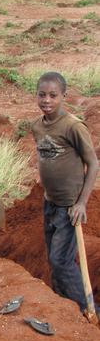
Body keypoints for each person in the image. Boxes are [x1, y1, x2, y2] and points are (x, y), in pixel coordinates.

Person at [32, 71, 99, 314]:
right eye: (42, 95)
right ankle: (64, 306)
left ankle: (88, 310)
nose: (46, 100)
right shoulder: (37, 126)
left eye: (52, 95)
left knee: (61, 261)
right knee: (54, 258)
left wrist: (82, 203)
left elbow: (92, 163)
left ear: (64, 96)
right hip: (50, 202)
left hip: (69, 207)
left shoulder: (73, 126)